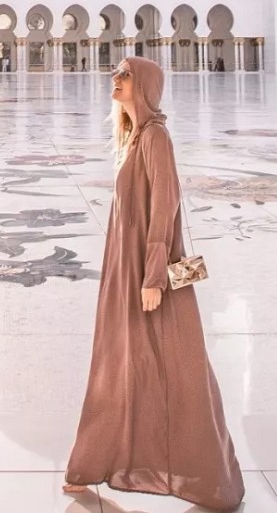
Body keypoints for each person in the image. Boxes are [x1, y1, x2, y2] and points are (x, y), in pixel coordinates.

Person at [64, 56, 243, 509]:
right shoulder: (135, 137)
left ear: (144, 85)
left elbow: (165, 207)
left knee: (178, 371)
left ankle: (207, 477)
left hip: (148, 275)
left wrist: (153, 278)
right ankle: (95, 462)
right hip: (128, 271)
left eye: (125, 74)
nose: (116, 79)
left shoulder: (156, 137)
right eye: (116, 73)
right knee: (120, 363)